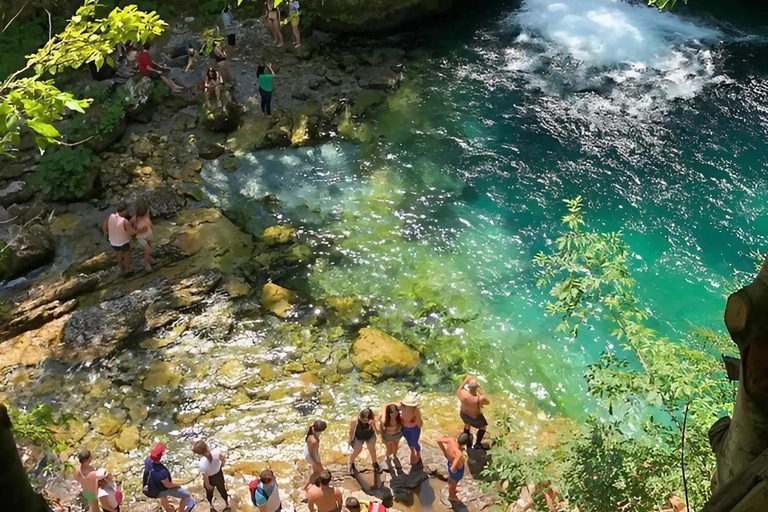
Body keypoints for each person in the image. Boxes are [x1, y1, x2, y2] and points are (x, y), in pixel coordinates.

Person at [143, 444, 194, 512]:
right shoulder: (162, 472)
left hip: (150, 487)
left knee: (163, 496)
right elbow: (168, 485)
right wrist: (177, 485)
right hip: (160, 490)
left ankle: (168, 509)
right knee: (186, 495)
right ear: (162, 455)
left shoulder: (147, 460)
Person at [192, 440, 229, 511]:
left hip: (210, 478)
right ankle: (227, 503)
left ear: (199, 454)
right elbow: (223, 460)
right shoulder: (216, 452)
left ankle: (211, 506)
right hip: (219, 475)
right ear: (207, 446)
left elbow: (205, 476)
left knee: (209, 493)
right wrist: (221, 465)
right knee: (222, 490)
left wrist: (208, 485)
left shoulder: (202, 463)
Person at [457, 375, 491, 449]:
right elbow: (488, 402)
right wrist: (480, 391)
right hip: (474, 418)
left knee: (467, 424)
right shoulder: (479, 399)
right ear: (476, 388)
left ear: (468, 387)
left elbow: (468, 377)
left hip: (463, 414)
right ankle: (478, 443)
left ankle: (466, 437)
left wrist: (469, 380)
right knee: (483, 427)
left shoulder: (461, 393)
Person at [102, 201, 136, 274]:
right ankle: (128, 270)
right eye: (126, 210)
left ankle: (121, 268)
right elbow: (132, 232)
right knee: (127, 255)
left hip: (113, 241)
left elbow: (104, 225)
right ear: (124, 211)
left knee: (118, 253)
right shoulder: (124, 221)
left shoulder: (110, 217)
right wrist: (140, 230)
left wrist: (105, 232)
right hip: (123, 242)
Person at [436, 434, 470, 502]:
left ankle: (452, 488)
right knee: (454, 481)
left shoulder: (451, 440)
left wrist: (444, 451)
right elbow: (453, 467)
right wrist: (454, 470)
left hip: (449, 462)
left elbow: (438, 440)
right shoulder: (458, 453)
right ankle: (452, 496)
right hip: (456, 469)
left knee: (451, 479)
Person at [348, 408, 379, 475]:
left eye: (366, 420)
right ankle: (351, 463)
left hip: (370, 436)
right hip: (358, 436)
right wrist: (350, 441)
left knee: (372, 450)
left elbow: (377, 431)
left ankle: (375, 463)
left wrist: (372, 425)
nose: (365, 421)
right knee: (357, 450)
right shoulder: (355, 421)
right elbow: (351, 431)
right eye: (363, 419)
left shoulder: (373, 420)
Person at [302, 419, 327, 496]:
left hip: (309, 452)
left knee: (316, 470)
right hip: (312, 455)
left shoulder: (311, 432)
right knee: (319, 471)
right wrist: (316, 463)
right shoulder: (314, 441)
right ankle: (304, 487)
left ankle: (314, 480)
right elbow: (312, 453)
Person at [400, 394, 423, 465]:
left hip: (414, 430)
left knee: (414, 442)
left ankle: (418, 453)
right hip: (404, 428)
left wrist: (416, 416)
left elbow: (420, 423)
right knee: (409, 442)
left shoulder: (416, 410)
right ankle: (412, 451)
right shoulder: (402, 407)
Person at [379, 403, 403, 471]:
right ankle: (387, 460)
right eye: (392, 412)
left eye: (396, 411)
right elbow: (380, 429)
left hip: (397, 434)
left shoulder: (399, 418)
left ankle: (395, 457)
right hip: (388, 435)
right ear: (388, 413)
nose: (394, 413)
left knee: (395, 446)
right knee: (389, 449)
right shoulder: (385, 420)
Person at [132, 198, 153, 271]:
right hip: (141, 237)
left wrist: (151, 226)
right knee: (147, 249)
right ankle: (147, 263)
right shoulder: (135, 219)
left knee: (149, 248)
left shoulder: (147, 213)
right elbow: (131, 229)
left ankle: (149, 258)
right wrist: (139, 230)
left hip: (149, 233)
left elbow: (149, 221)